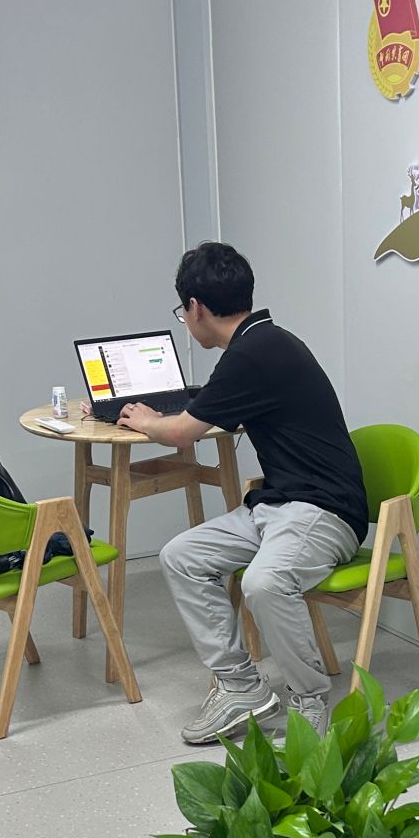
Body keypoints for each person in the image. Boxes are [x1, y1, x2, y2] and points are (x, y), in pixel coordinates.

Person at [120, 242, 369, 742]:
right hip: (278, 506)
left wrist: (145, 420)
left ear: (195, 307)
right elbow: (215, 406)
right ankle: (241, 687)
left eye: (182, 311)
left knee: (264, 583)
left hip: (325, 511)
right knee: (182, 556)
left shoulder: (254, 352)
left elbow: (181, 434)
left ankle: (309, 701)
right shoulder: (260, 342)